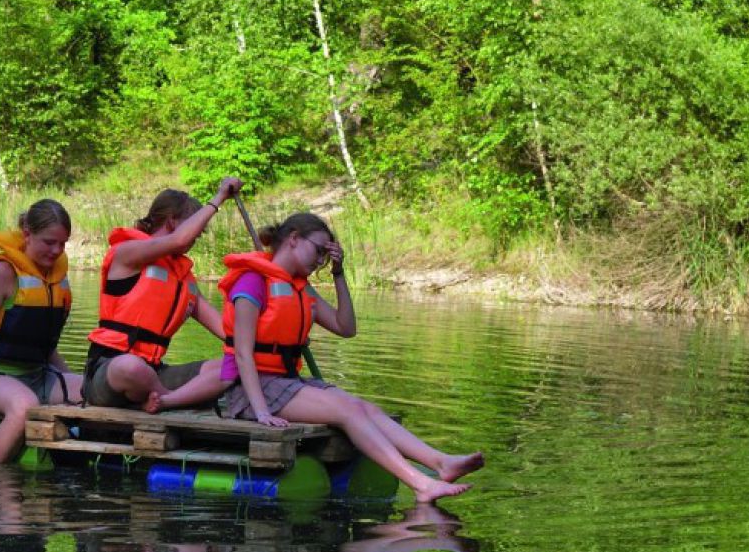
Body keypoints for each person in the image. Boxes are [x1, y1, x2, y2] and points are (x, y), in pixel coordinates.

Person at [219, 213, 484, 503]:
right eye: (319, 251)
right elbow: (243, 354)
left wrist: (338, 272)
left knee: (363, 407)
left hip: (284, 384)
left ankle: (439, 462)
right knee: (348, 413)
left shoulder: (299, 287)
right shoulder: (252, 282)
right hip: (251, 391)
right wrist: (262, 413)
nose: (320, 261)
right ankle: (421, 484)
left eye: (326, 255)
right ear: (293, 239)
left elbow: (346, 328)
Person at [83, 179, 242, 413]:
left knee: (235, 365)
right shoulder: (126, 252)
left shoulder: (183, 280)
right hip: (109, 372)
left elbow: (229, 333)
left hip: (154, 372)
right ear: (171, 222)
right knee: (131, 367)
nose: (196, 238)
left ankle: (165, 401)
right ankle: (171, 398)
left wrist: (273, 342)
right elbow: (180, 239)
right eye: (195, 230)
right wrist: (219, 198)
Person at [0, 200, 83, 462]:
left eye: (63, 244)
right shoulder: (2, 272)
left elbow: (45, 344)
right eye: (49, 242)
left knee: (93, 391)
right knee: (24, 407)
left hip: (40, 375)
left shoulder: (56, 276)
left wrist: (69, 378)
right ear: (27, 234)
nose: (57, 250)